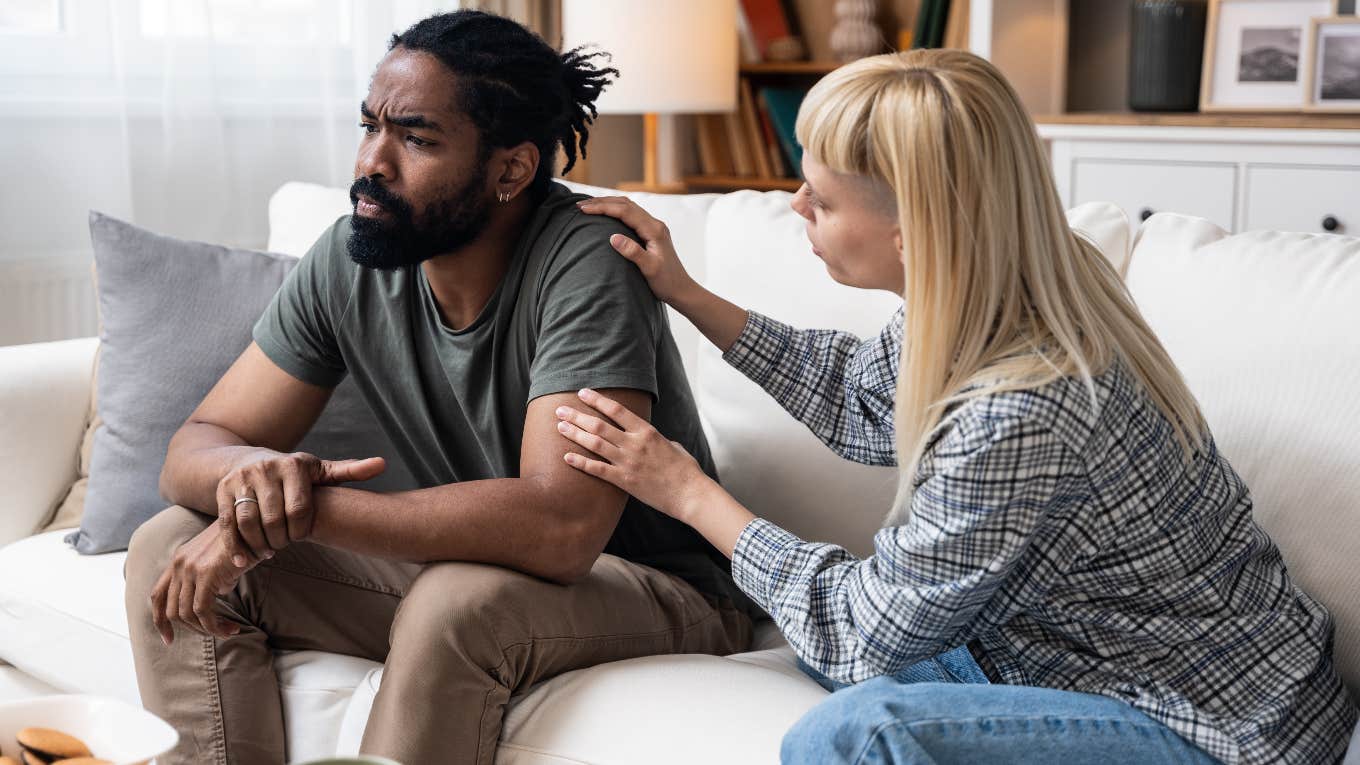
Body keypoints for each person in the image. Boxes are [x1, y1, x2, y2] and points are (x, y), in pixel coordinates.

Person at [555, 49, 1357, 764]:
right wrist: (688, 294)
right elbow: (865, 400)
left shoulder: (1022, 407)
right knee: (818, 630)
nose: (795, 205)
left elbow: (867, 630)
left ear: (915, 231)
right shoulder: (1008, 285)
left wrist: (688, 492)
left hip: (1211, 726)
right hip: (1067, 652)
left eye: (824, 200)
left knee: (854, 728)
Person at [123, 10, 755, 765]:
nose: (372, 163)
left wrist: (304, 510)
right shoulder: (348, 258)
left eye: (417, 139)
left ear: (511, 170)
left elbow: (562, 524)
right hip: (490, 572)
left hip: (661, 589)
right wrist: (257, 483)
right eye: (370, 127)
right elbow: (194, 448)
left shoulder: (590, 257)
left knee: (458, 600)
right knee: (169, 542)